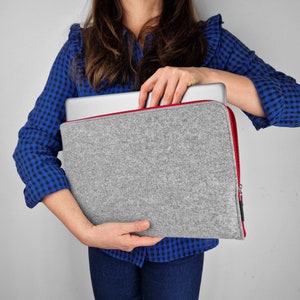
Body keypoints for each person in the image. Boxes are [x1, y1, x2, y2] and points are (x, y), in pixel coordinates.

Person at [13, 0, 300, 299]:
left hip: (181, 244)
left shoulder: (209, 43)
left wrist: (207, 76)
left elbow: (295, 102)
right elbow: (32, 146)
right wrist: (85, 231)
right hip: (106, 240)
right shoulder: (80, 50)